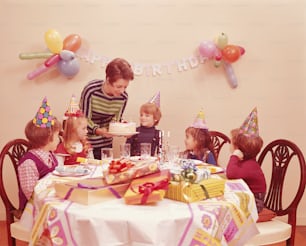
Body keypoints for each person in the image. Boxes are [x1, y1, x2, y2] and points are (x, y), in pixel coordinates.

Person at [79, 58, 134, 159]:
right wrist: (98, 130)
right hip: (87, 145)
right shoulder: (91, 90)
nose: (122, 91)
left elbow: (115, 121)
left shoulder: (123, 98)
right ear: (108, 80)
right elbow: (83, 119)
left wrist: (123, 129)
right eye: (118, 86)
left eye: (125, 87)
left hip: (106, 146)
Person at [18, 97, 61, 210]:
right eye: (57, 136)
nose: (59, 139)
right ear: (48, 138)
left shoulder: (50, 155)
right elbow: (31, 194)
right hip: (34, 209)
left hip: (51, 200)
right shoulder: (29, 163)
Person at [226, 107, 267, 213]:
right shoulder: (247, 162)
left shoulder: (250, 165)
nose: (229, 144)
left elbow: (231, 174)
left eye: (231, 142)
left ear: (238, 147)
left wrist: (234, 156)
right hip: (247, 197)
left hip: (255, 203)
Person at [55, 95, 92, 165]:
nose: (87, 131)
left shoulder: (86, 146)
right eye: (83, 128)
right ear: (72, 130)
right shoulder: (62, 148)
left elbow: (92, 164)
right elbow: (58, 169)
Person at [127, 92, 162, 156]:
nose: (143, 118)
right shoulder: (134, 131)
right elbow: (126, 149)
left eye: (147, 116)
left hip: (149, 164)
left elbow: (160, 153)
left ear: (155, 118)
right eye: (141, 115)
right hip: (133, 163)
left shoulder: (158, 134)